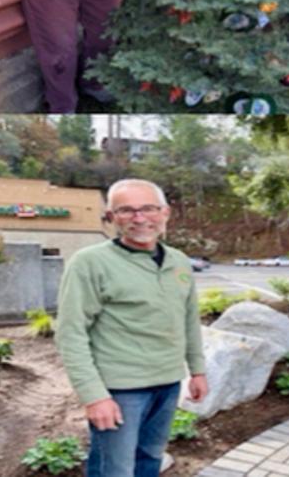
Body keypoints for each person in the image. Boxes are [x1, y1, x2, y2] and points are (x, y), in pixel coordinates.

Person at [55, 178, 207, 477]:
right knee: (115, 470)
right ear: (111, 217)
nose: (139, 218)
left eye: (148, 208)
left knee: (149, 459)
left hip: (167, 383)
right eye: (126, 211)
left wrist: (197, 370)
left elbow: (188, 318)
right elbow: (71, 334)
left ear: (165, 213)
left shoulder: (178, 261)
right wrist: (94, 396)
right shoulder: (89, 263)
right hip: (120, 389)